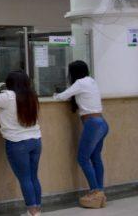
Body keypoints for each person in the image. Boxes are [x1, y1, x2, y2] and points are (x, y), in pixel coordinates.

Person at [0, 71, 42, 216]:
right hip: (35, 140)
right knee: (33, 177)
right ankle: (37, 209)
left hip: (17, 143)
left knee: (25, 178)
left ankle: (32, 212)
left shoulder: (8, 96)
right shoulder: (32, 96)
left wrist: (2, 91)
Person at [53, 61, 109, 209]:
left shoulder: (80, 83)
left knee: (83, 158)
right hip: (102, 123)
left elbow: (62, 97)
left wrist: (55, 95)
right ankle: (100, 192)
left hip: (92, 124)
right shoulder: (91, 81)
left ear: (74, 73)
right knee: (95, 157)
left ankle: (95, 191)